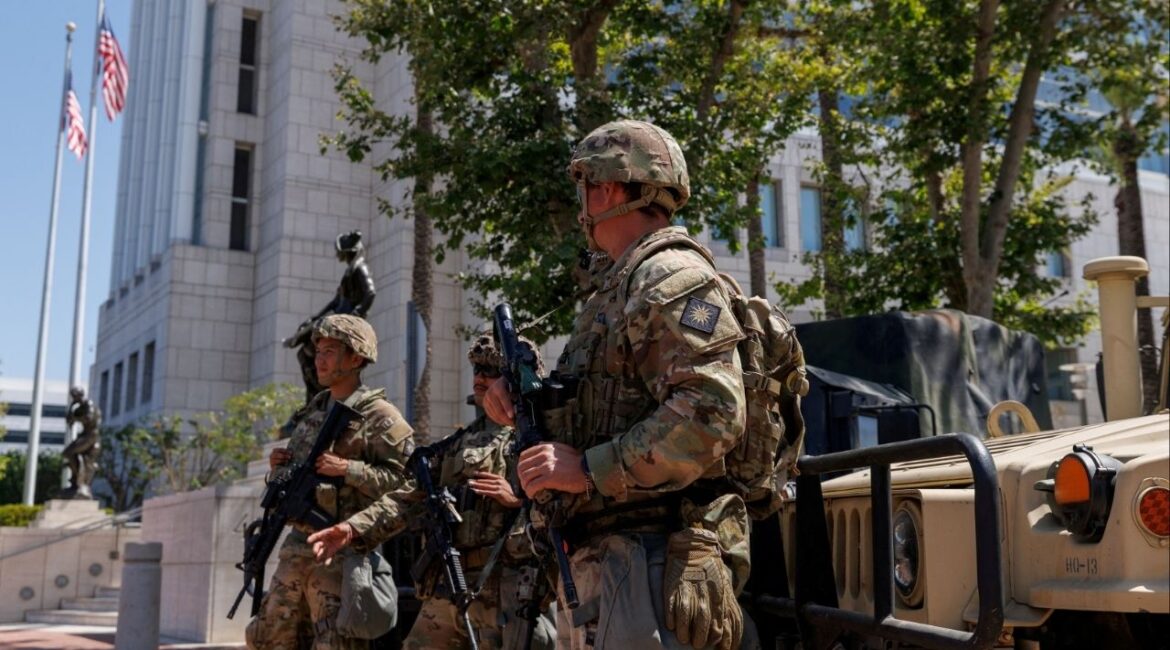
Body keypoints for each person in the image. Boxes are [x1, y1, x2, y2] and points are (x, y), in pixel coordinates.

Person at [483, 120, 754, 650]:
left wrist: (587, 470)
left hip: (648, 559)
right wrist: (523, 409)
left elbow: (712, 412)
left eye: (583, 188)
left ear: (606, 187)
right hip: (611, 560)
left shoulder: (667, 276)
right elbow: (605, 407)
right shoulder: (617, 286)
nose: (581, 208)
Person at [308, 334, 557, 650]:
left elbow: (564, 503)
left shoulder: (538, 437)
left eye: (492, 371)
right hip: (452, 581)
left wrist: (517, 500)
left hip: (508, 585)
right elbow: (407, 497)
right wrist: (351, 528)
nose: (480, 378)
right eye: (477, 369)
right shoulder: (457, 444)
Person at [246, 314, 415, 650]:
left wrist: (349, 469)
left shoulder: (381, 417)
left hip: (342, 552)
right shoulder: (314, 411)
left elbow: (406, 485)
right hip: (297, 549)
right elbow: (296, 477)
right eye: (318, 351)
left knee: (335, 641)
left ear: (356, 358)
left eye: (330, 351)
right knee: (270, 637)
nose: (319, 359)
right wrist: (279, 469)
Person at [284, 230, 378, 402]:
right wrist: (314, 318)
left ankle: (321, 393)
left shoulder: (360, 268)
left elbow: (370, 293)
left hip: (343, 322)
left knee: (308, 350)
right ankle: (314, 396)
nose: (338, 254)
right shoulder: (349, 271)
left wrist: (355, 315)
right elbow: (336, 301)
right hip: (334, 317)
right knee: (304, 352)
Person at [61, 386, 102, 499]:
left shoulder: (89, 404)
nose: (73, 397)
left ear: (79, 395)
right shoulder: (79, 407)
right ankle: (76, 481)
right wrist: (71, 406)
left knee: (69, 452)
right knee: (69, 453)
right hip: (85, 435)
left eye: (74, 395)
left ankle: (79, 480)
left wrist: (75, 418)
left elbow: (88, 418)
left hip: (91, 436)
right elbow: (69, 419)